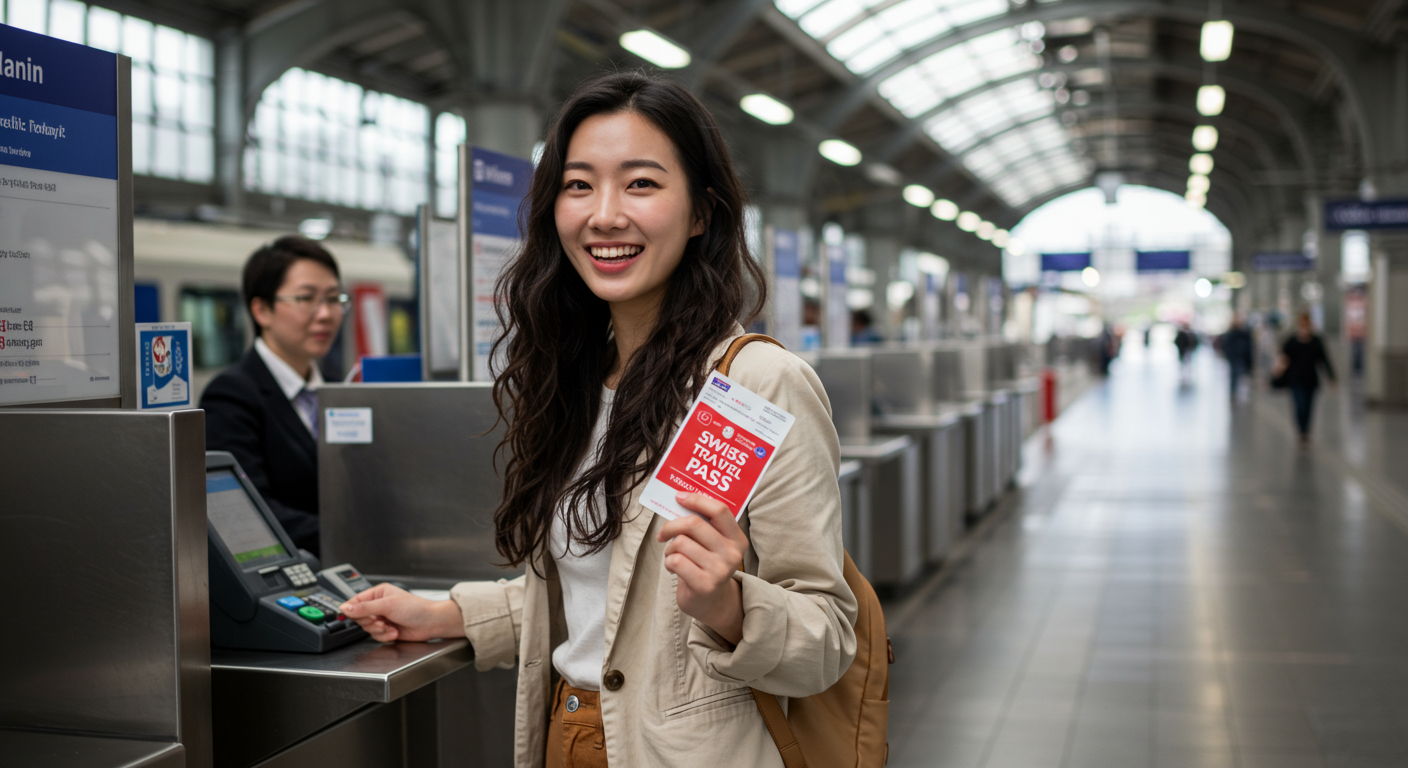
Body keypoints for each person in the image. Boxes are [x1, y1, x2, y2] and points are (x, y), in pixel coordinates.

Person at [339, 72, 857, 767]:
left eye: (641, 184)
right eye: (579, 185)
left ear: (702, 212)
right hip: (568, 734)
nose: (604, 215)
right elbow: (607, 606)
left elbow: (827, 637)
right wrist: (446, 616)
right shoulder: (571, 380)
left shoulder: (758, 385)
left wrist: (730, 603)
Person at [200, 236, 348, 556]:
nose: (325, 314)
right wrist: (359, 534)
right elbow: (246, 510)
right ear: (262, 309)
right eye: (306, 298)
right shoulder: (231, 396)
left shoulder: (339, 391)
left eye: (334, 298)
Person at [1277, 311, 1336, 443]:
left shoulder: (1316, 341)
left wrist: (1331, 377)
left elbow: (1324, 360)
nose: (1305, 328)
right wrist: (1277, 372)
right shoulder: (1292, 341)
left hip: (1311, 380)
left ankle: (1305, 431)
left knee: (1309, 407)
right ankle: (1301, 429)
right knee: (1300, 405)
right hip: (1295, 379)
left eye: (1307, 325)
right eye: (1302, 325)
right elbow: (1283, 358)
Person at [1220, 313, 1254, 399]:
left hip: (1243, 357)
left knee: (1243, 375)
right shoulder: (1231, 334)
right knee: (1235, 375)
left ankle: (1241, 392)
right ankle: (1234, 392)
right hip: (1234, 358)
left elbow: (1248, 347)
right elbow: (1226, 345)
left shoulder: (1245, 333)